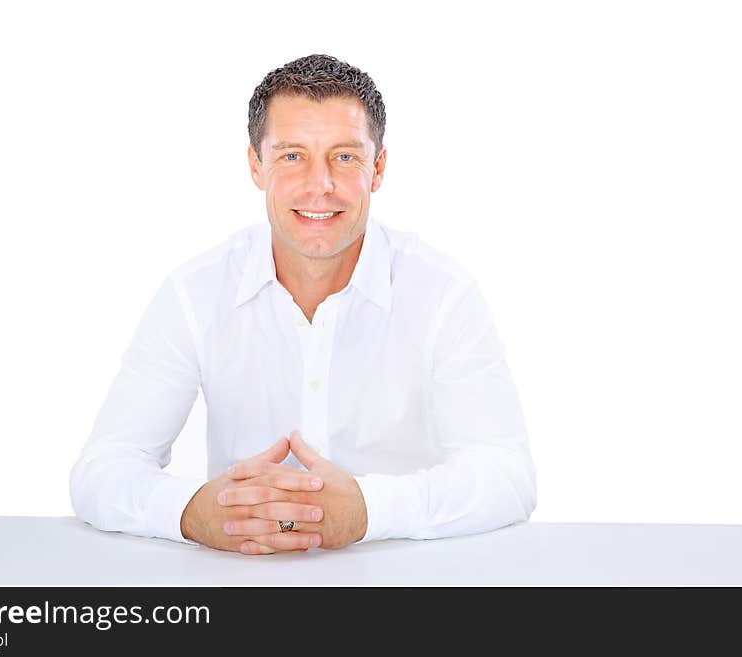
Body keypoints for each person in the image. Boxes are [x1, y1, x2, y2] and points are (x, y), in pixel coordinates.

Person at [69, 54, 537, 555]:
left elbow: (507, 476)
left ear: (377, 168)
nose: (321, 185)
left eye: (345, 157)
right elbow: (103, 468)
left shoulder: (444, 294)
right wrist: (190, 511)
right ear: (256, 165)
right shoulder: (194, 293)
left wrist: (368, 509)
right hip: (240, 585)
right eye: (292, 156)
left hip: (403, 586)